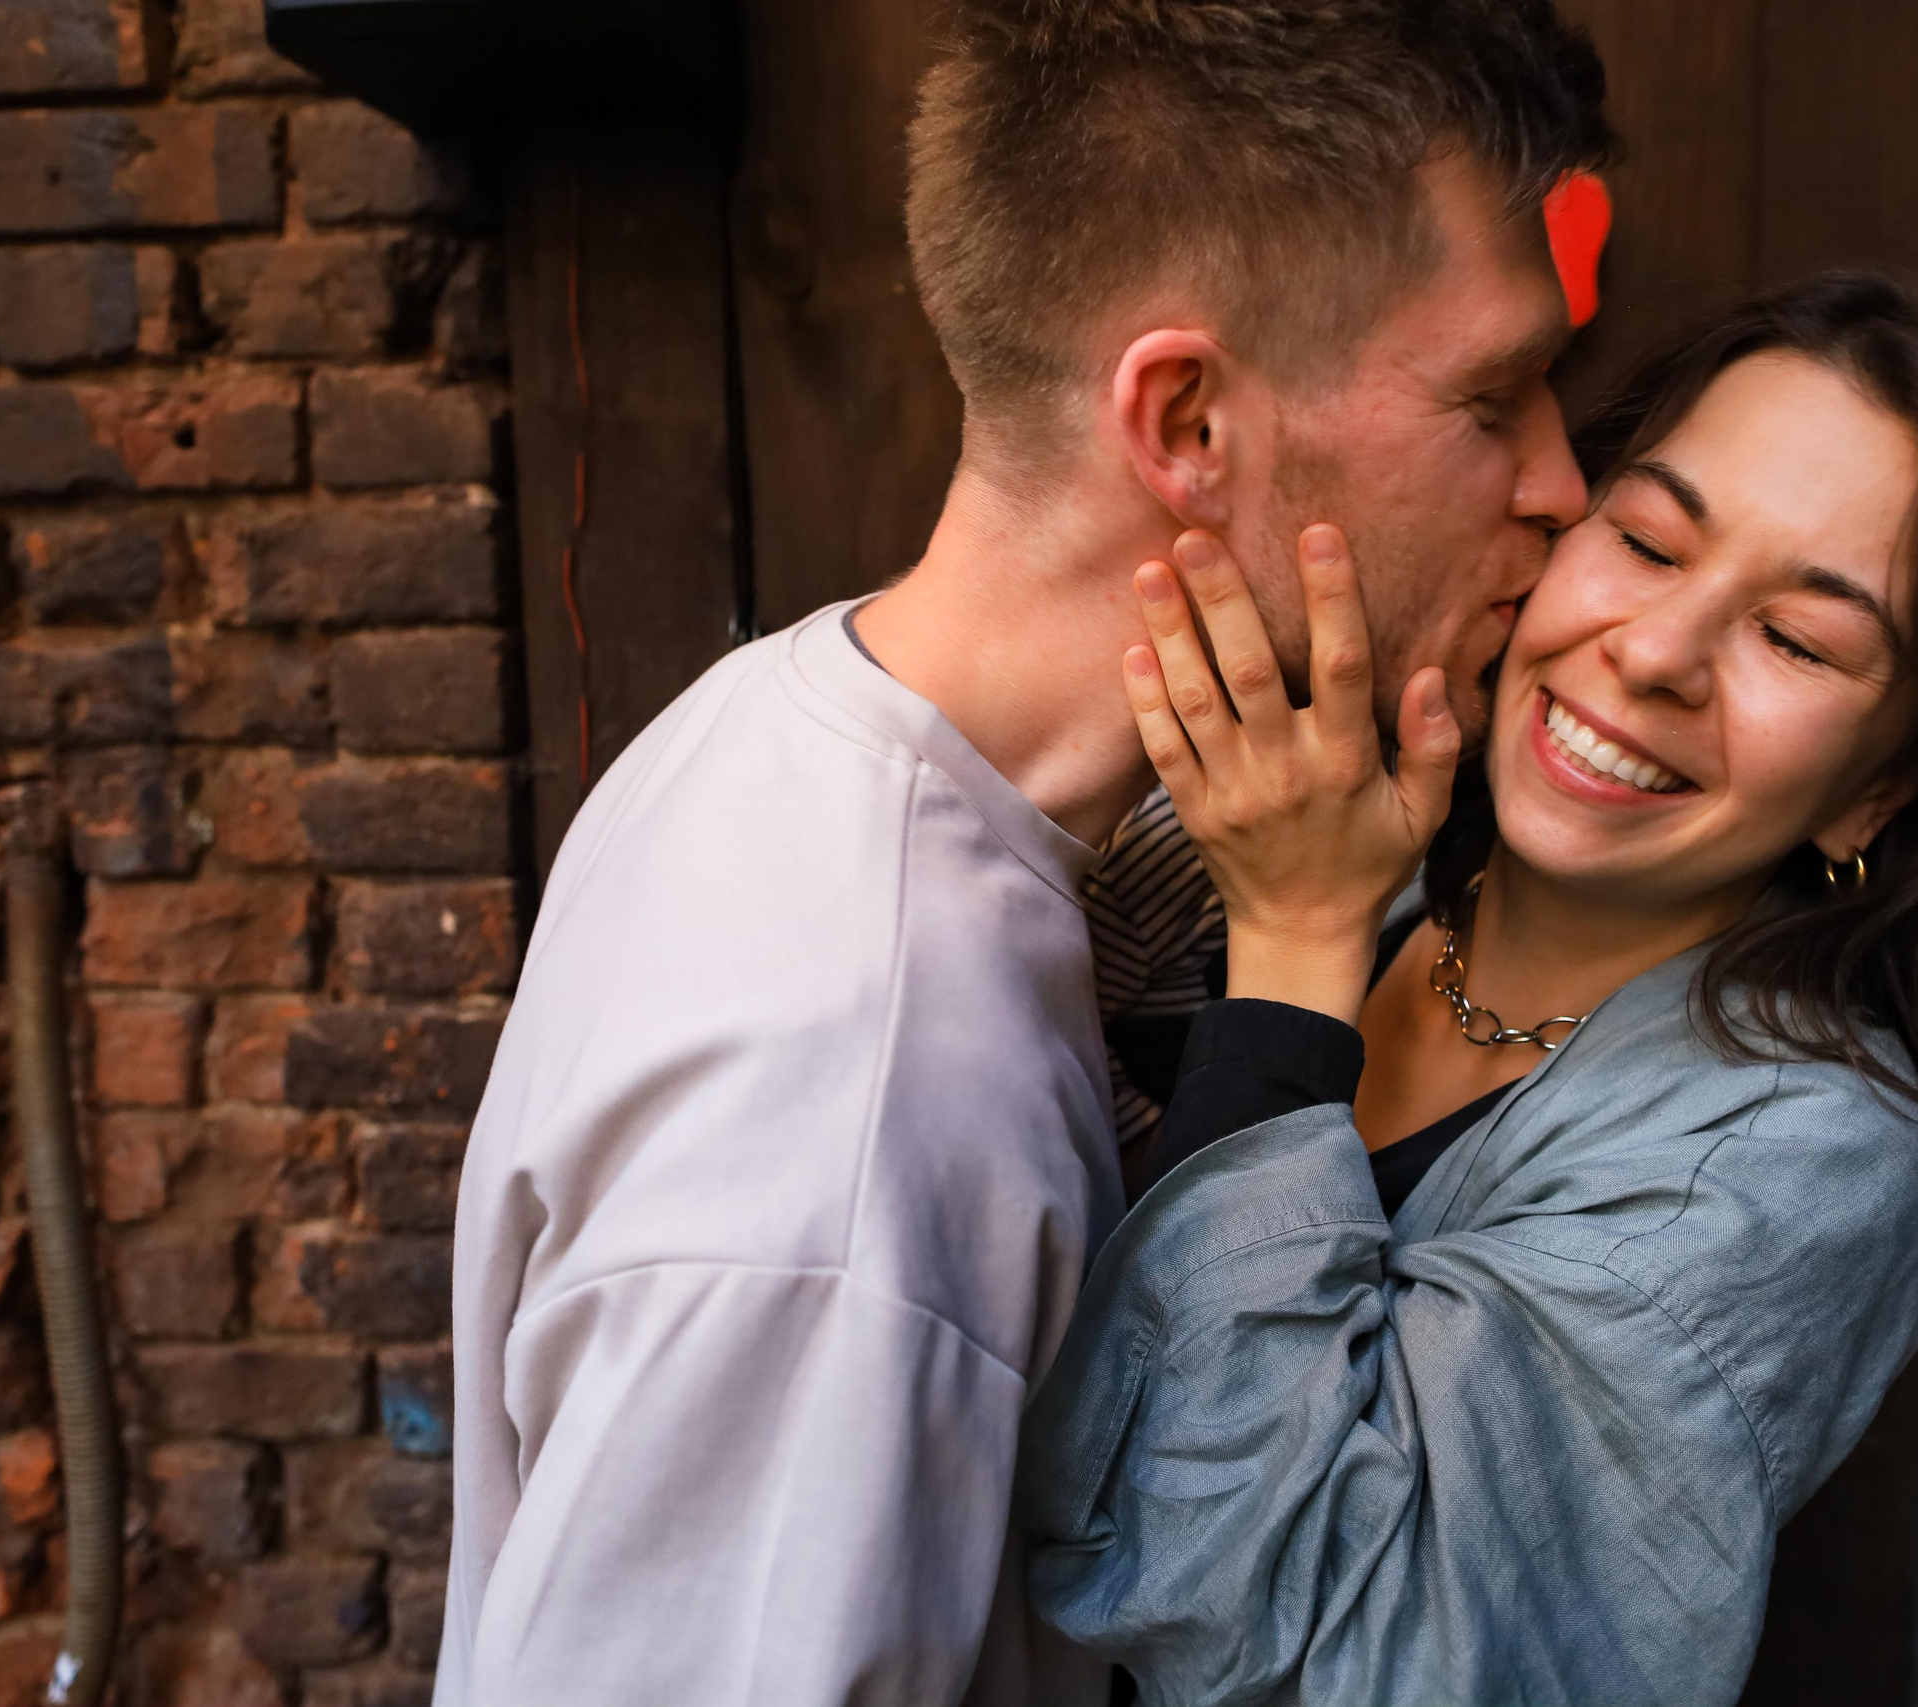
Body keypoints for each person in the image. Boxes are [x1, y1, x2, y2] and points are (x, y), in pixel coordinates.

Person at [433, 2, 1611, 1701]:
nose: (1562, 484)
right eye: (1495, 394)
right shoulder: (850, 1112)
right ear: (1191, 422)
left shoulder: (783, 717)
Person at [1018, 273, 1918, 1704]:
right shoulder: (1329, 847)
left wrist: (1291, 962)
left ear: (1877, 789)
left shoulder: (1797, 1163)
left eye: (1798, 641)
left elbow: (1276, 1632)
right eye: (1646, 543)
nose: (1652, 655)